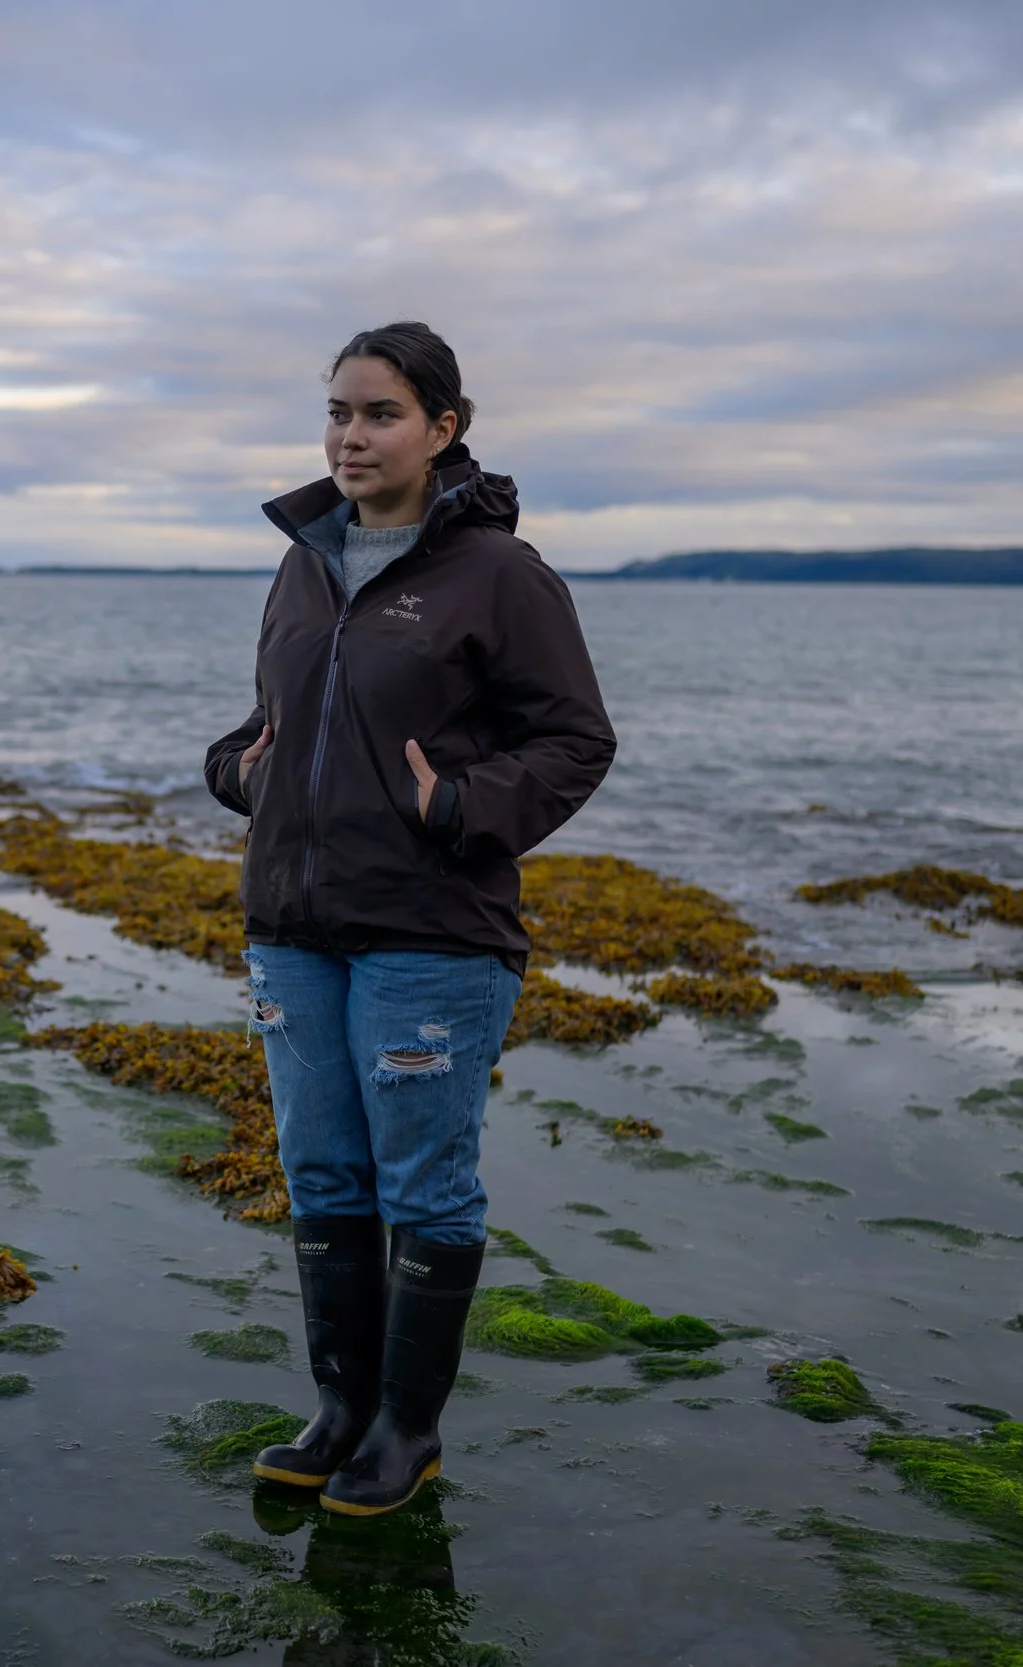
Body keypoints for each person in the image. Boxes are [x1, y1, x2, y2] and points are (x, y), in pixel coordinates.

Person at [204, 321, 615, 1516]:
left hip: (432, 930)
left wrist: (461, 803)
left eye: (378, 412)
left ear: (442, 429)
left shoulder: (500, 573)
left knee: (424, 1184)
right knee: (320, 1164)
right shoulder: (305, 563)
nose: (348, 434)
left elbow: (575, 741)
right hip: (292, 920)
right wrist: (238, 772)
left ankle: (405, 1430)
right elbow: (266, 725)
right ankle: (338, 1407)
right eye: (336, 411)